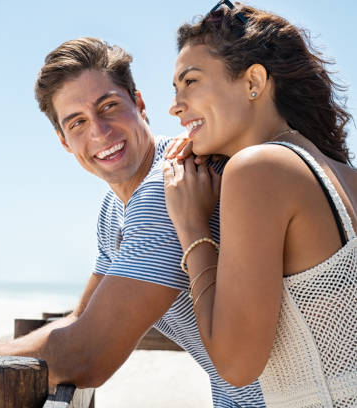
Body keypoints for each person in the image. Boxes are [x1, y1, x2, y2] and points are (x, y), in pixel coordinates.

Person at [0, 37, 265, 407]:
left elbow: (89, 353)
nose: (99, 132)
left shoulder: (169, 186)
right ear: (63, 141)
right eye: (77, 122)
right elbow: (80, 317)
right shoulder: (114, 209)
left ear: (138, 104)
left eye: (108, 106)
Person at [163, 2, 357, 407]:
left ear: (253, 80)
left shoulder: (259, 169)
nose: (175, 106)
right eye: (175, 90)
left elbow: (236, 366)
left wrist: (192, 228)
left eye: (191, 82)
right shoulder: (343, 175)